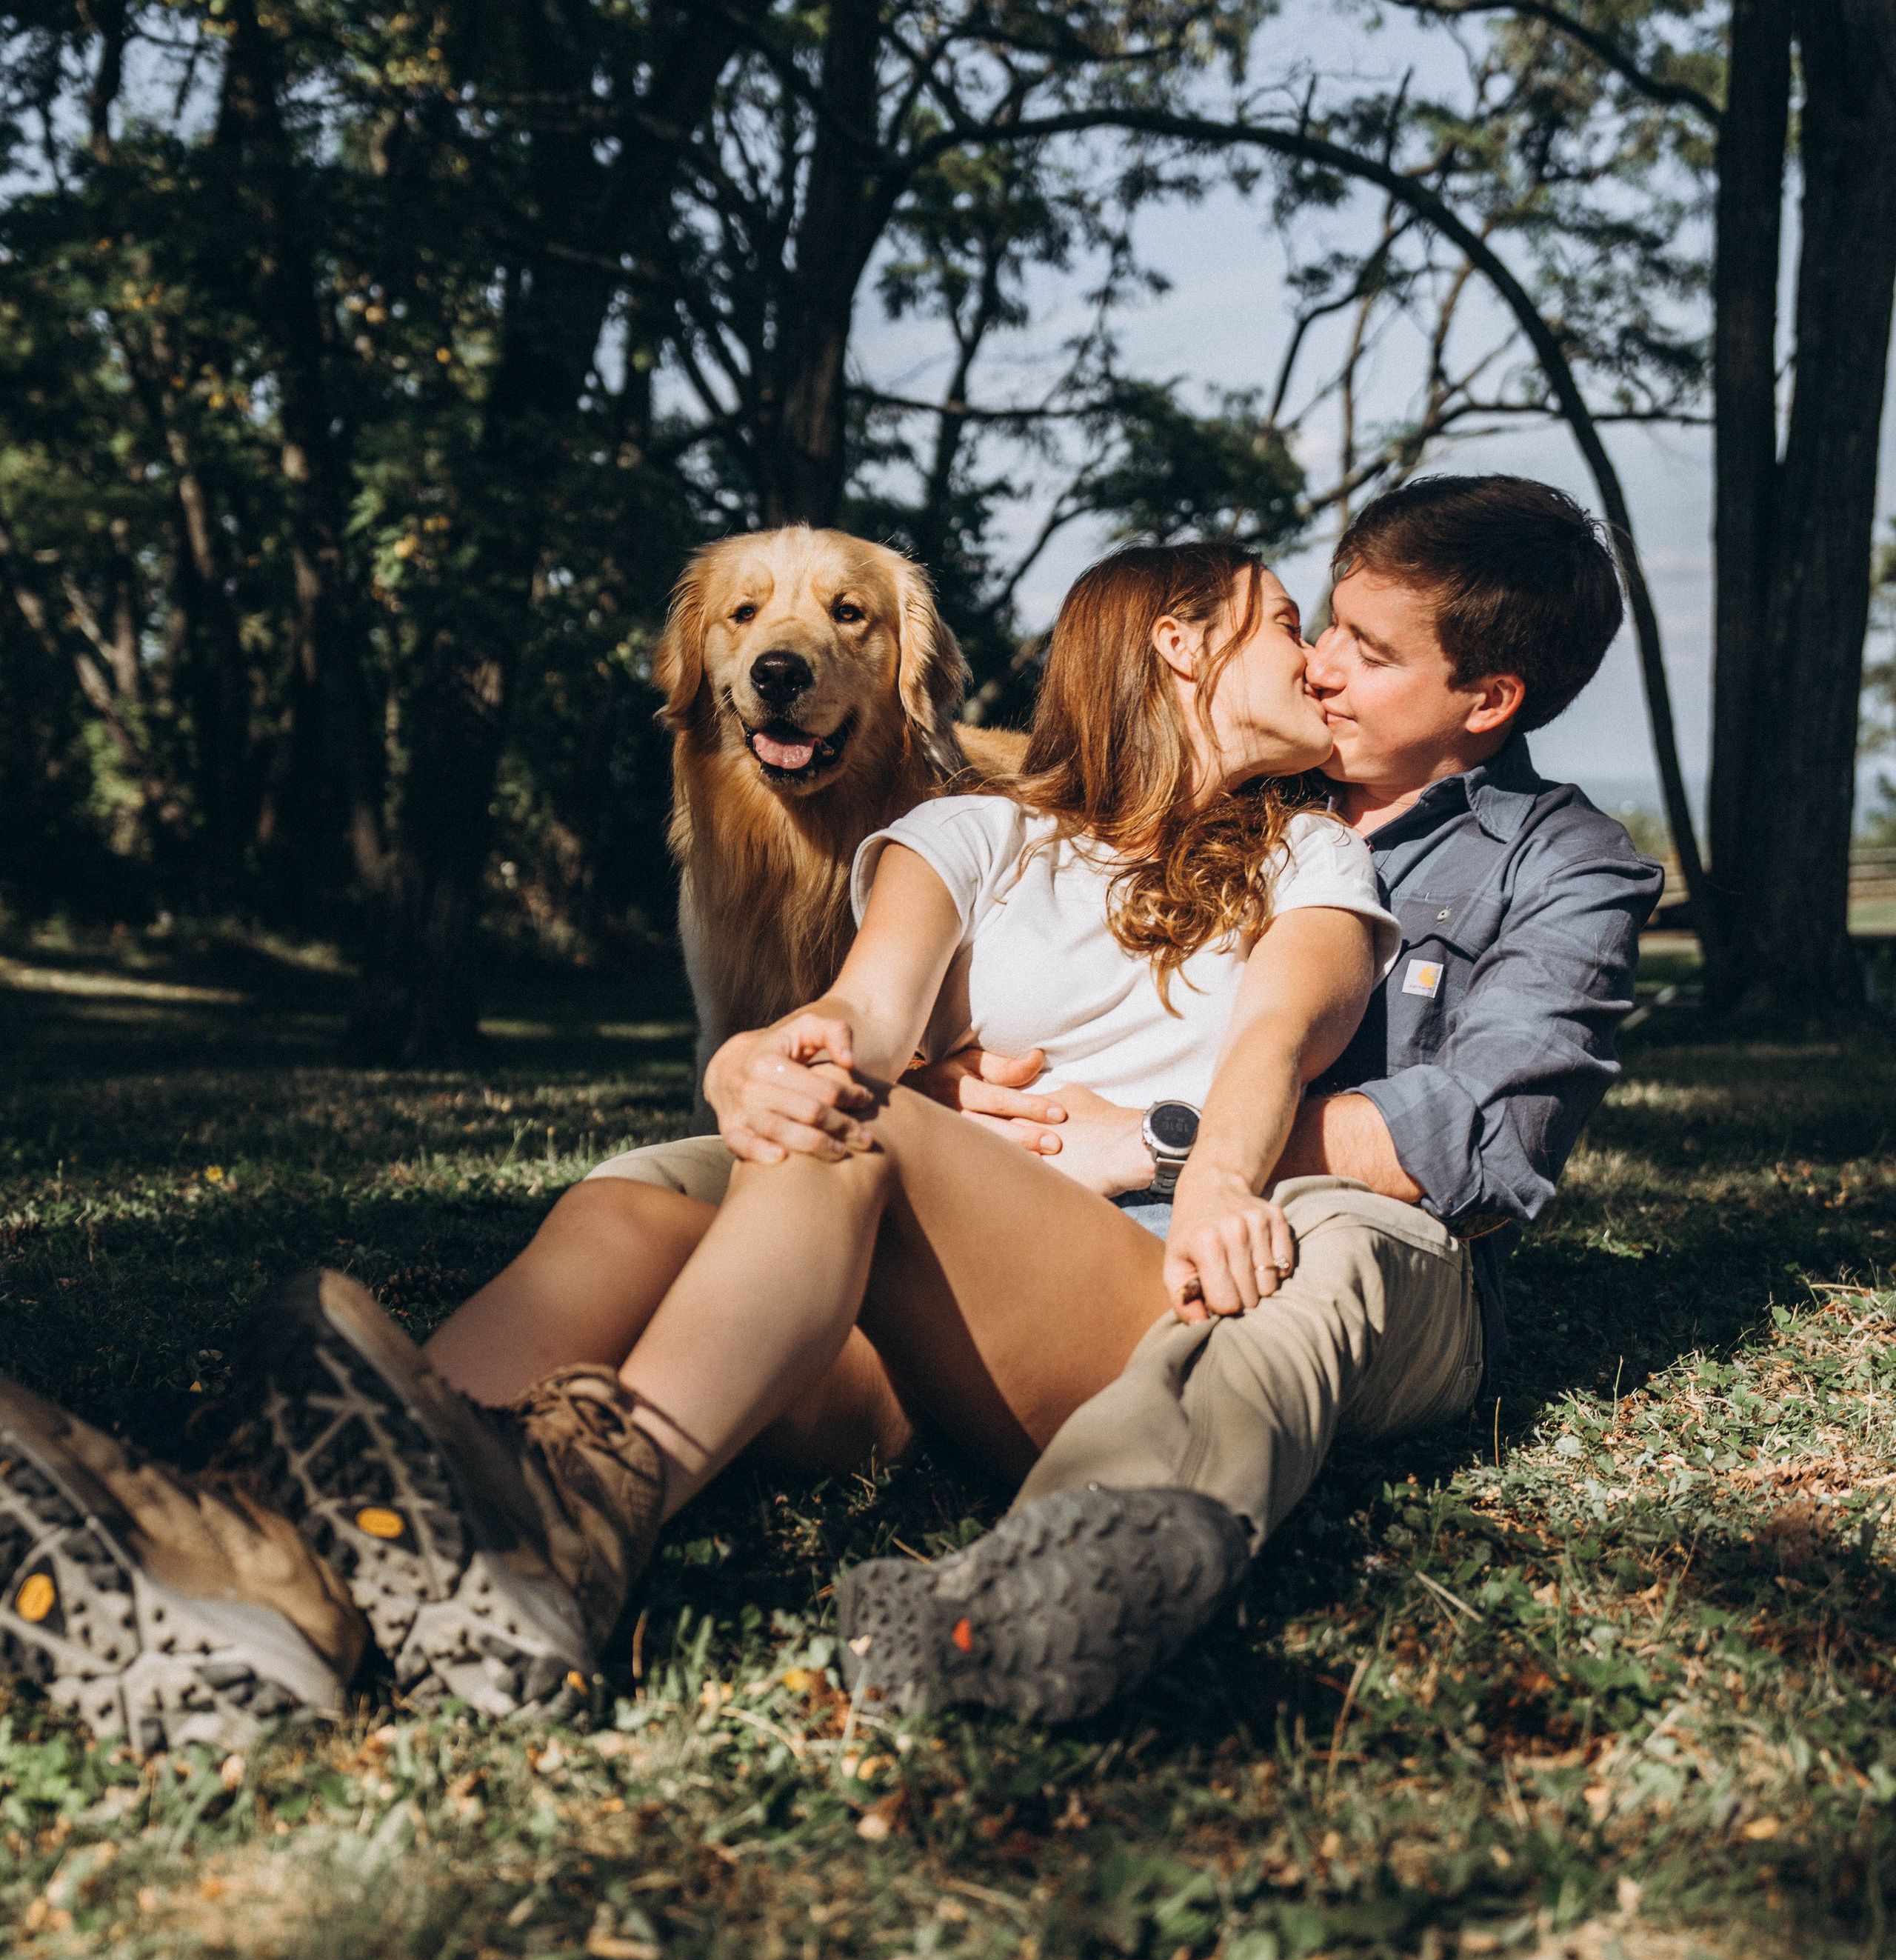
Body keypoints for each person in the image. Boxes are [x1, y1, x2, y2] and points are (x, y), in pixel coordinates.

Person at [0, 542, 1401, 1748]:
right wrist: (762, 1059)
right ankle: (271, 1567)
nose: (1320, 657)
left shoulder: (1313, 858)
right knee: (634, 1208)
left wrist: (1205, 1171)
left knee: (861, 1134)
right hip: (888, 1317)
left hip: (1122, 1290)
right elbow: (866, 1012)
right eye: (1288, 621)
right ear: (1181, 643)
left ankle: (579, 1523)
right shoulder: (968, 834)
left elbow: (1275, 1039)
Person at [468, 470, 1664, 1719]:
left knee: (1300, 1258)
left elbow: (1472, 1147)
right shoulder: (1238, 785)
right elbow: (946, 974)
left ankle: (1024, 1589)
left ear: (1490, 697)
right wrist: (839, 1072)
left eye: (1359, 650)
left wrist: (1158, 1147)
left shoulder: (1553, 867)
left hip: (1347, 1228)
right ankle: (360, 1484)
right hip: (1058, 1222)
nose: (1314, 666)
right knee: (664, 1187)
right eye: (1309, 626)